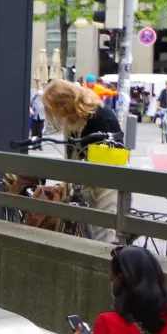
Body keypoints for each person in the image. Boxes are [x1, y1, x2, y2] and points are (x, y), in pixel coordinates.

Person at [40, 78, 124, 244]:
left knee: (104, 240)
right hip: (88, 183)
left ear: (63, 104)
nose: (54, 115)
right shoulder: (72, 119)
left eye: (54, 109)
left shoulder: (99, 117)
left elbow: (107, 164)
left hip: (107, 185)